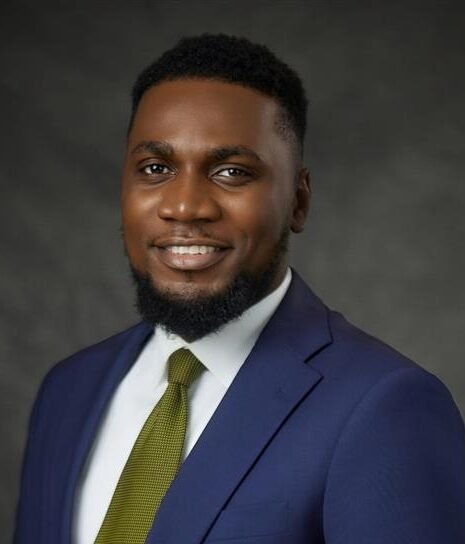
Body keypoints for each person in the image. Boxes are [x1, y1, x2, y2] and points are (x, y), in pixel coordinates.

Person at [14, 34, 465, 544]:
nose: (184, 207)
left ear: (298, 201)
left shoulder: (386, 408)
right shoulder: (67, 390)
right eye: (156, 169)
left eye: (231, 172)